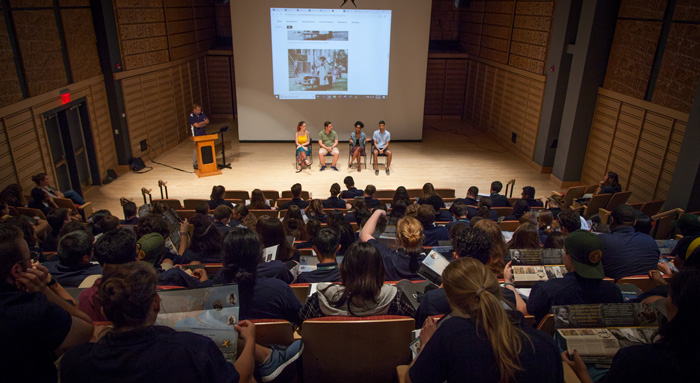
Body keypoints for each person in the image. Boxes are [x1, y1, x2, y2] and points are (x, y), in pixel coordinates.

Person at [60, 261, 305, 383]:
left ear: (103, 308)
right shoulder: (192, 349)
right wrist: (250, 341)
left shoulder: (74, 363)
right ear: (156, 303)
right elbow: (237, 378)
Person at [408, 257, 563, 383]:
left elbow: (411, 380)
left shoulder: (450, 334)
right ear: (497, 287)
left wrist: (426, 345)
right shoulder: (546, 343)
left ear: (450, 299)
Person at [563, 267, 700, 383]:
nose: (665, 301)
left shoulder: (635, 360)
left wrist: (581, 374)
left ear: (677, 309)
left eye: (669, 297)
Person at [0, 224, 94, 383]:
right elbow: (86, 328)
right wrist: (44, 289)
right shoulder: (32, 309)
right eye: (29, 257)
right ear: (17, 271)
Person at [515, 230, 624, 323]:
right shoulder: (614, 292)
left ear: (569, 256)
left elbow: (525, 314)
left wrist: (509, 284)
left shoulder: (547, 290)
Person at [202, 228, 302, 326]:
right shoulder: (279, 290)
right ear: (259, 256)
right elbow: (302, 320)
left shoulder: (204, 292)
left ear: (223, 256)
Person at [299, 242, 415, 321]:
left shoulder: (319, 301)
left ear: (344, 269)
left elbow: (303, 325)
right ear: (379, 270)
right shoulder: (396, 300)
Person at [361, 209, 426, 281]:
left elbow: (364, 234)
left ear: (398, 238)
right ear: (422, 237)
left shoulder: (387, 256)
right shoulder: (429, 262)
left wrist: (378, 211)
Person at [600, 204, 659, 281]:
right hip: (648, 291)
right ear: (634, 222)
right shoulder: (650, 241)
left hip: (613, 290)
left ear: (612, 220)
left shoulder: (601, 240)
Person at [188, 103, 209, 170]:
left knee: (205, 148)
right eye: (198, 110)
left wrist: (201, 123)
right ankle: (195, 163)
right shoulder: (191, 116)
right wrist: (203, 123)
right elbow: (196, 125)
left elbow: (207, 121)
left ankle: (204, 161)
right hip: (196, 135)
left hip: (204, 133)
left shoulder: (202, 114)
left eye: (200, 110)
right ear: (194, 110)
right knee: (196, 149)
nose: (199, 111)